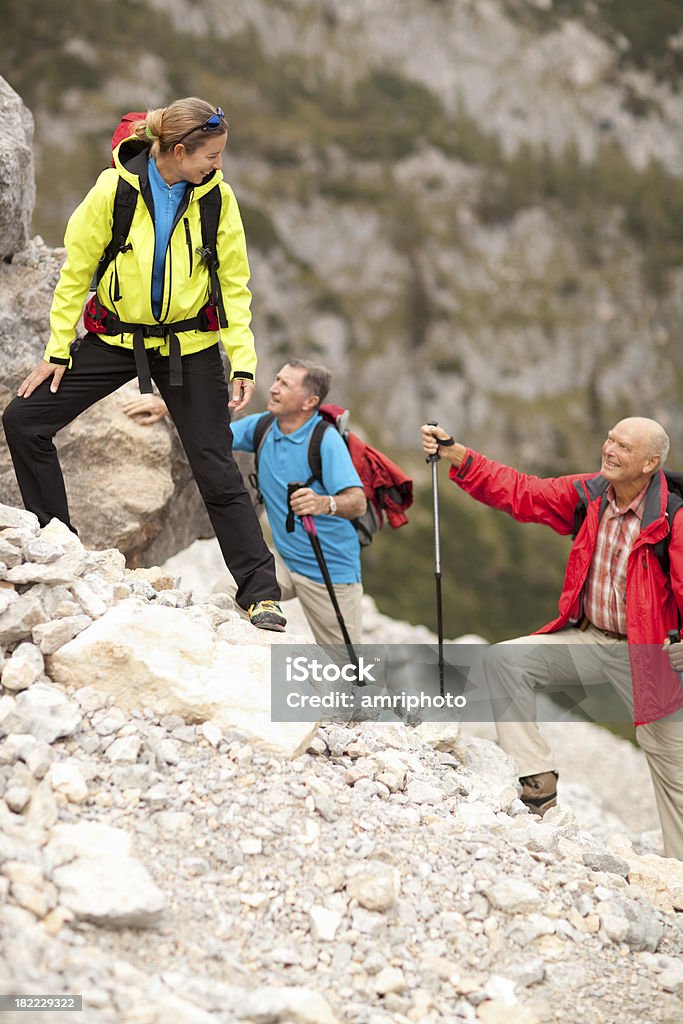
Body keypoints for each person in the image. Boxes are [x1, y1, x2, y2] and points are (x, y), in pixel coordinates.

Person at [2, 97, 285, 632]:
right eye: (212, 156)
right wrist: (58, 350)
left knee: (217, 468)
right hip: (115, 339)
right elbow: (75, 273)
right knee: (24, 420)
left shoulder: (217, 200)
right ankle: (61, 544)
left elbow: (235, 285)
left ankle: (261, 594)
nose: (218, 166)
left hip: (192, 347)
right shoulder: (114, 190)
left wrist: (243, 361)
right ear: (180, 151)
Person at [421, 417, 683, 860]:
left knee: (673, 768)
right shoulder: (592, 494)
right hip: (588, 638)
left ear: (650, 463)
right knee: (506, 660)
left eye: (623, 446)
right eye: (609, 439)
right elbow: (524, 493)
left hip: (648, 654)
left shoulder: (672, 518)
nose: (609, 449)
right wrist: (458, 455)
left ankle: (677, 879)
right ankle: (536, 783)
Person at [124, 359, 367, 645]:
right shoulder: (264, 427)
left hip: (330, 572)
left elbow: (358, 502)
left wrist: (324, 503)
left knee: (346, 664)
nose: (273, 389)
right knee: (223, 595)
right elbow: (212, 433)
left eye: (285, 385)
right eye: (277, 379)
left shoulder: (325, 441)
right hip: (284, 561)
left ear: (309, 401)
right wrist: (168, 407)